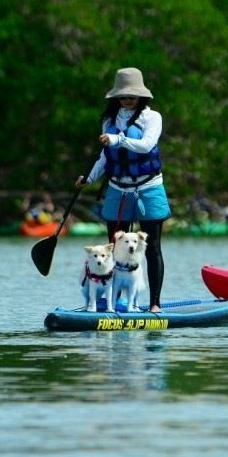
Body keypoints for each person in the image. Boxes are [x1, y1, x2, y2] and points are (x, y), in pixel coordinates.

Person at [75, 67, 170, 312]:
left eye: (132, 95)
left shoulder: (153, 118)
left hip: (148, 187)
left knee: (153, 247)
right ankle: (112, 301)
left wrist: (118, 139)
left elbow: (147, 145)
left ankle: (154, 304)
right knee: (113, 248)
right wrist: (90, 177)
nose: (127, 99)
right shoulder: (109, 120)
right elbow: (105, 158)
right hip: (118, 188)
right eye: (123, 95)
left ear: (141, 96)